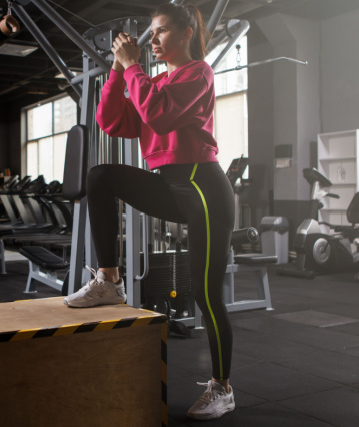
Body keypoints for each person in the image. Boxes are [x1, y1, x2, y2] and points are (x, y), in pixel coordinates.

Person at [62, 2, 236, 421]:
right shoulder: (151, 81)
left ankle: (222, 387)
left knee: (204, 293)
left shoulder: (198, 74)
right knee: (101, 176)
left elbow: (158, 116)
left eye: (160, 32)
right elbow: (109, 122)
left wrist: (132, 69)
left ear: (186, 33)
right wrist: (121, 72)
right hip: (169, 185)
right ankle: (108, 280)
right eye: (151, 33)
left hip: (204, 188)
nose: (152, 40)